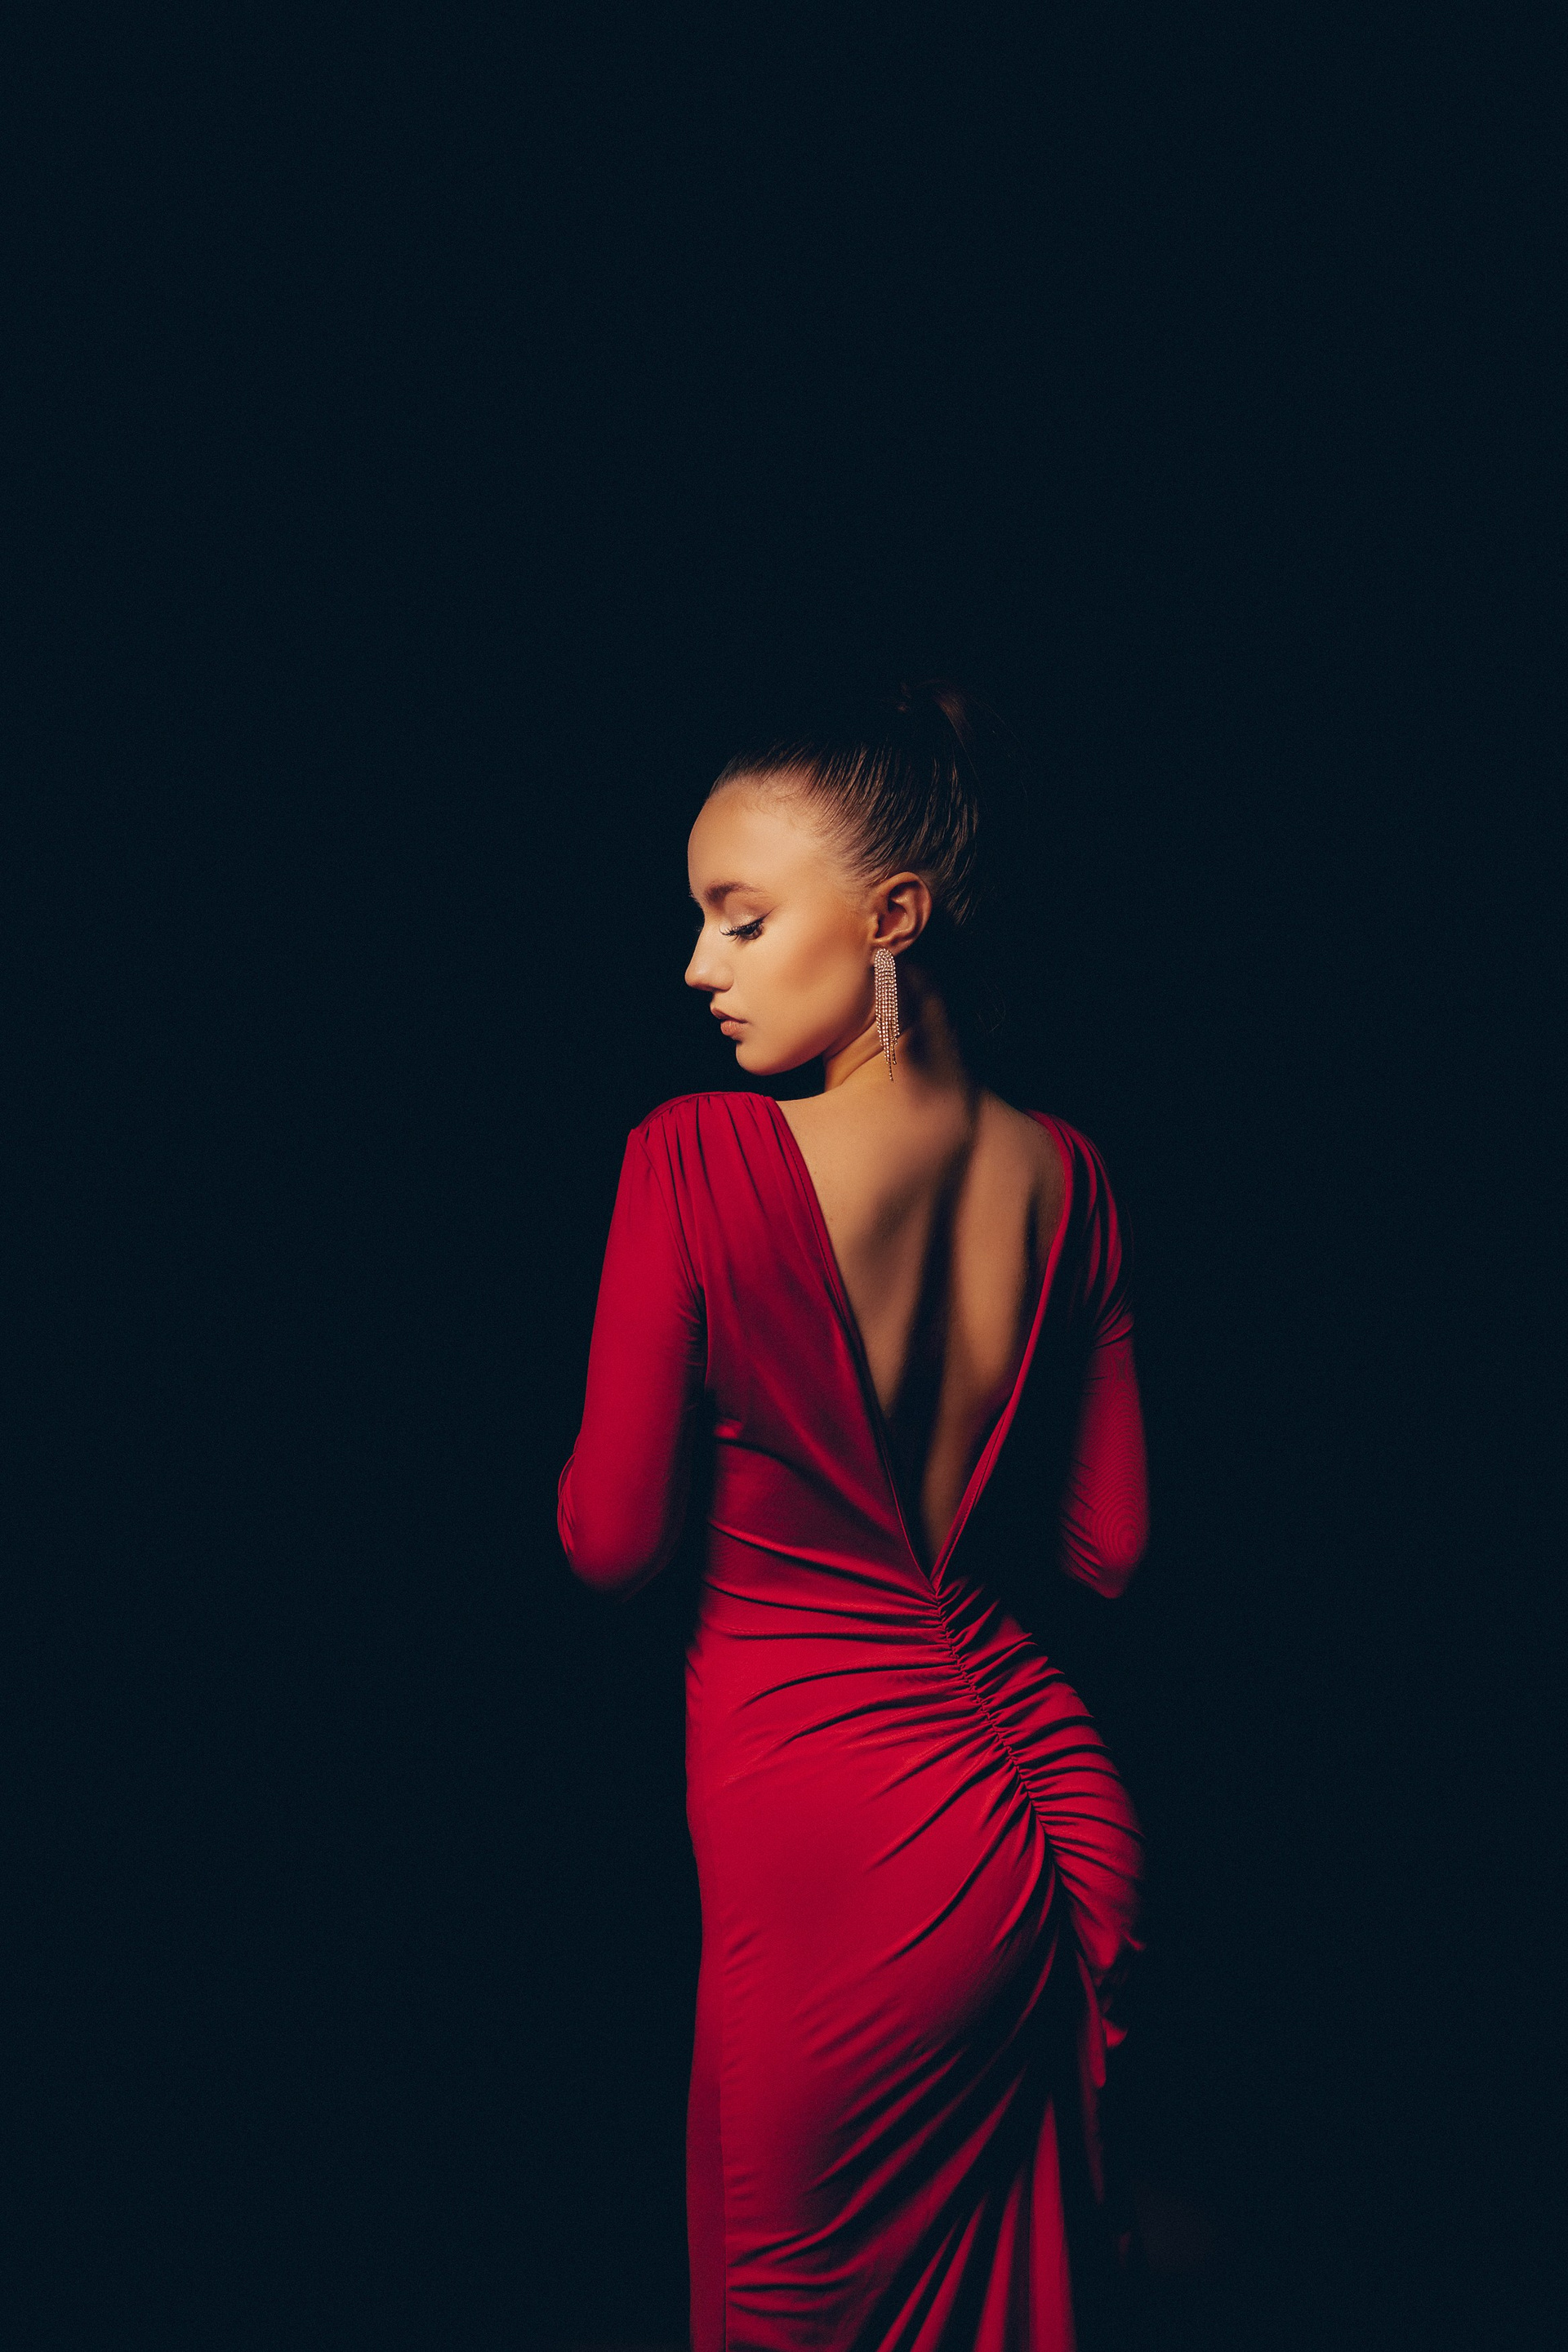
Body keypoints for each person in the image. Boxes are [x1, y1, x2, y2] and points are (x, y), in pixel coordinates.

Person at [557, 684, 1150, 2352]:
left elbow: (613, 1543)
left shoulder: (694, 1161)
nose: (701, 965)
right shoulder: (1075, 1178)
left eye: (741, 919)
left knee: (793, 2314)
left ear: (895, 916)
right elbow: (1107, 1554)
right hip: (1044, 1814)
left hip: (833, 1844)